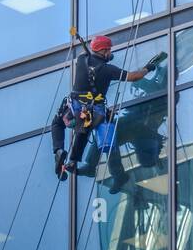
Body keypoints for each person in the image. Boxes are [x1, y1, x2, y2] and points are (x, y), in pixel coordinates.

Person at [51, 36, 162, 180]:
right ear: (104, 51)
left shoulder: (81, 60)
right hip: (93, 111)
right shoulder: (108, 70)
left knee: (59, 123)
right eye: (109, 50)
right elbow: (134, 76)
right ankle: (72, 161)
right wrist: (148, 68)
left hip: (74, 108)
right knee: (84, 131)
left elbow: (88, 55)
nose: (111, 53)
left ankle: (59, 150)